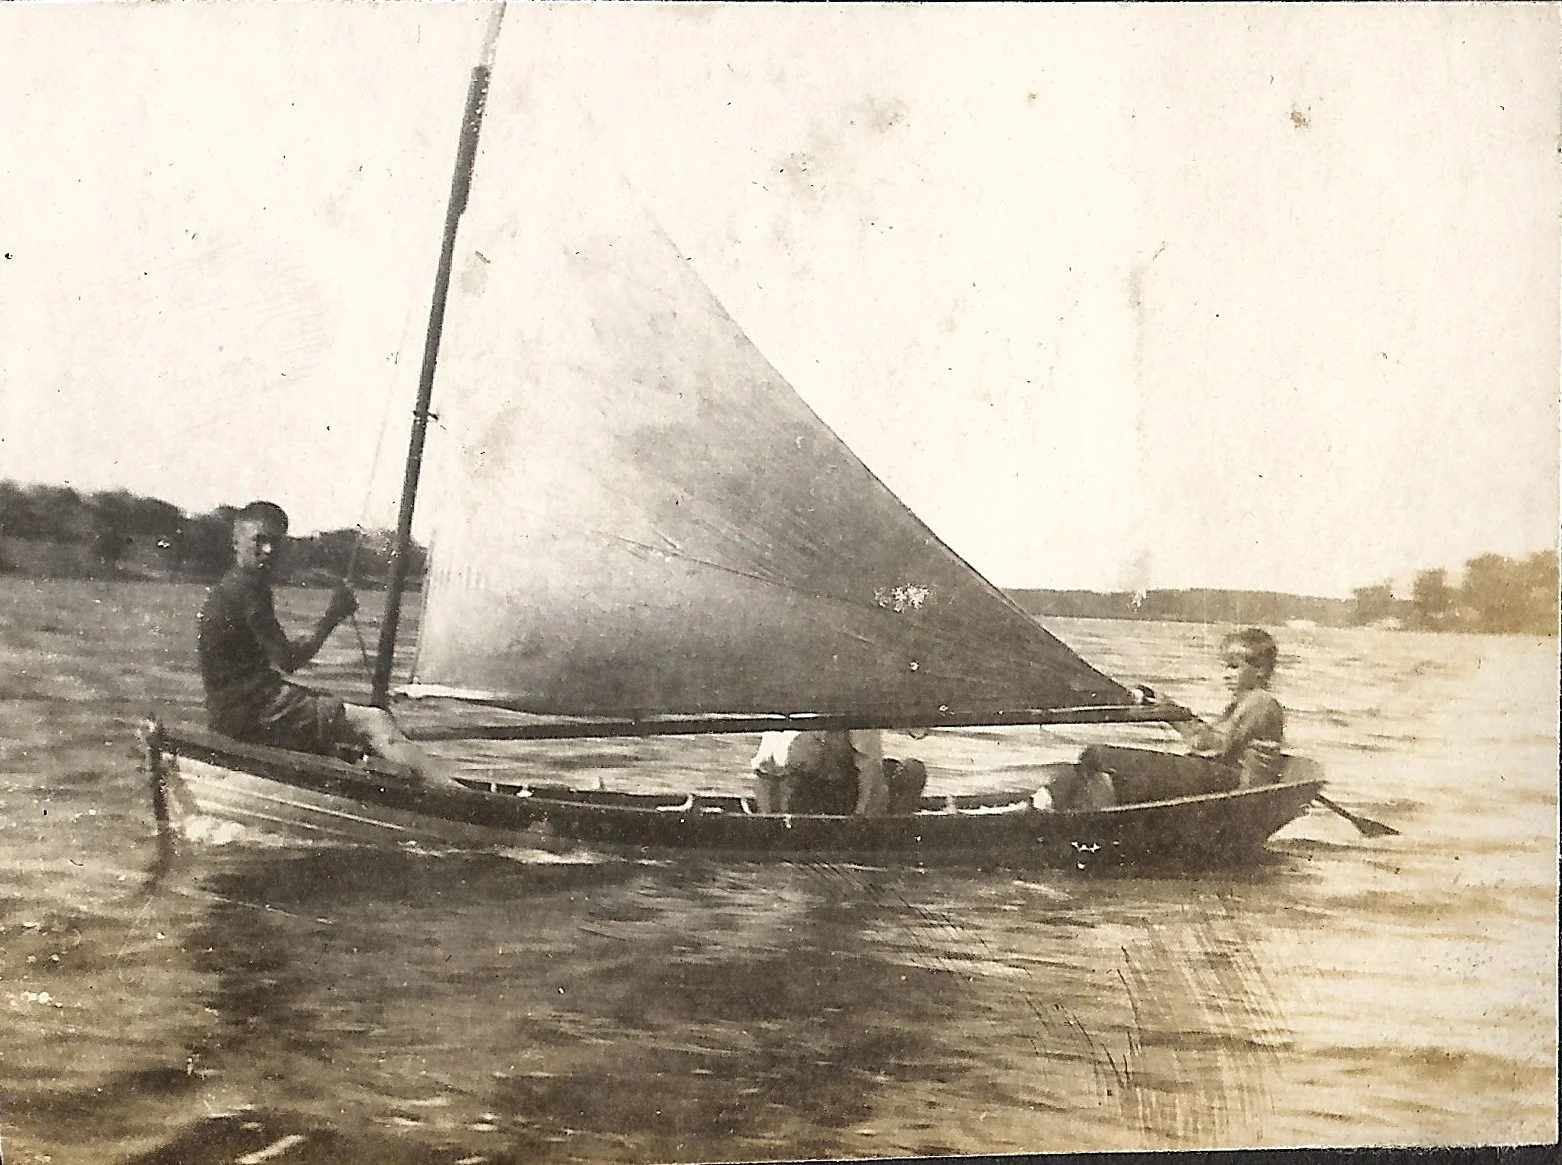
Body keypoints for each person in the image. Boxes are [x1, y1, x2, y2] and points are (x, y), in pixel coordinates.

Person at [196, 500, 456, 786]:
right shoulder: (246, 590)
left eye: (275, 543)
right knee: (374, 721)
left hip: (236, 712)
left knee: (340, 738)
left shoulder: (236, 586)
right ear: (236, 542)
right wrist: (332, 617)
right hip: (254, 712)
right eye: (259, 541)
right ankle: (456, 795)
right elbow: (289, 661)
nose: (268, 551)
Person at [1072, 627, 1286, 807]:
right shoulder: (1245, 702)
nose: (1226, 674)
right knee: (1102, 761)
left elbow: (1213, 746)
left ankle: (1098, 819)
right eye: (1226, 667)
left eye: (1234, 667)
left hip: (1240, 785)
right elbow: (1216, 742)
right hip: (1228, 776)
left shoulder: (1260, 702)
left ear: (1261, 670)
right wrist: (1171, 709)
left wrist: (1174, 715)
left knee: (1100, 756)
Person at [750, 729, 927, 816]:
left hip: (791, 795)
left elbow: (763, 772)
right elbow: (871, 773)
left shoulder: (786, 705)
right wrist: (861, 820)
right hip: (831, 796)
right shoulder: (853, 706)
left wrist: (770, 818)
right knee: (913, 770)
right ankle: (899, 832)